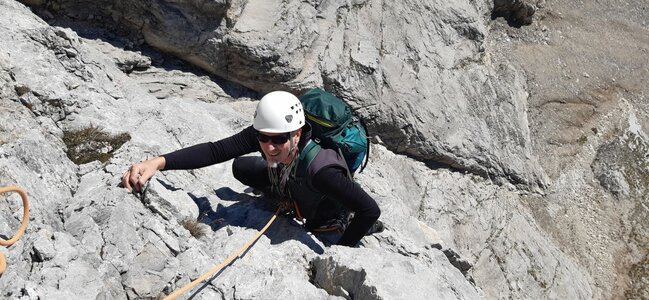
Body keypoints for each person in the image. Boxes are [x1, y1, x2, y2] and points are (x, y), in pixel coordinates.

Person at [122, 91, 381, 247]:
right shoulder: (268, 134)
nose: (269, 146)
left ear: (297, 133)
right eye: (263, 138)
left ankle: (346, 224)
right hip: (291, 182)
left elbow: (370, 210)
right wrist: (157, 162)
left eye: (279, 139)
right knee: (241, 166)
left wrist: (343, 249)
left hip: (321, 213)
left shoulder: (322, 171)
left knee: (327, 224)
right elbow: (216, 150)